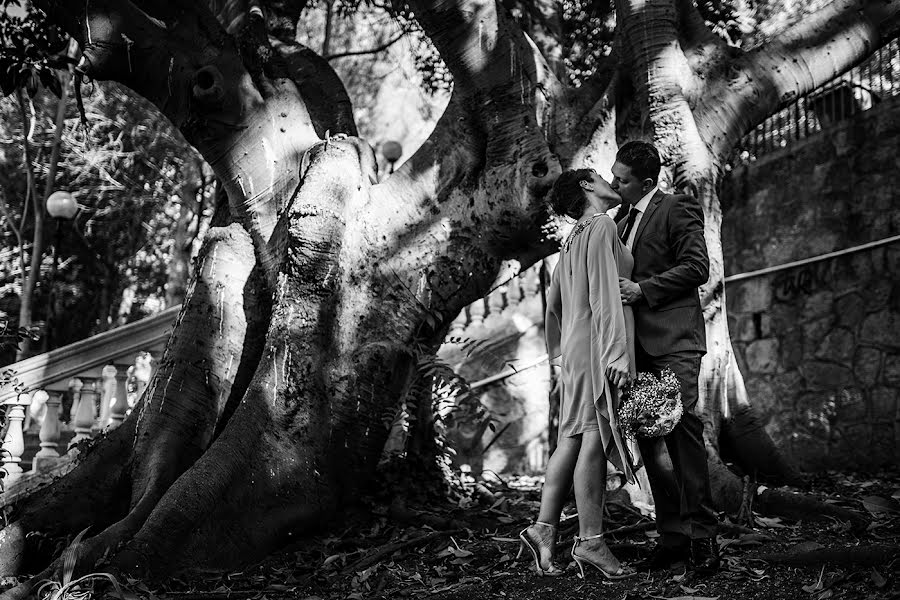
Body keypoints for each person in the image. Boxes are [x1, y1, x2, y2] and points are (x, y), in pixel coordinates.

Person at [519, 168, 636, 580]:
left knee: (569, 439)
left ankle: (542, 528)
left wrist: (557, 355)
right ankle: (590, 541)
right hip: (596, 347)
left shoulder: (570, 242)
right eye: (603, 177)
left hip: (573, 352)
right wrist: (618, 353)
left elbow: (553, 308)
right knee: (592, 439)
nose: (611, 183)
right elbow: (606, 294)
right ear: (587, 186)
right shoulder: (601, 226)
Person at [610, 141, 719, 574]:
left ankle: (705, 541)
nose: (615, 184)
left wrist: (643, 290)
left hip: (674, 343)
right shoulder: (619, 220)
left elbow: (697, 267)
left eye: (622, 180)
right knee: (652, 443)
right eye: (614, 176)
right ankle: (672, 538)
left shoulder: (677, 208)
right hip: (635, 349)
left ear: (648, 183)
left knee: (682, 437)